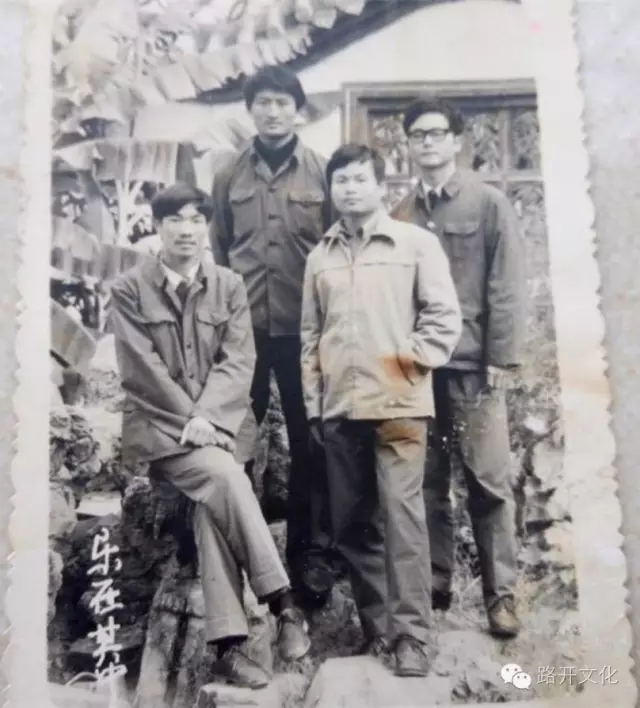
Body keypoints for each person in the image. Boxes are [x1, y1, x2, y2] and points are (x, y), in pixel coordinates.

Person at [110, 183, 310, 689]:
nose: (187, 229)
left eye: (197, 219)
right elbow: (142, 371)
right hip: (164, 430)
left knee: (212, 502)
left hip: (222, 429)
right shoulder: (129, 288)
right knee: (223, 477)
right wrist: (192, 420)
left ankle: (227, 647)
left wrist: (211, 419)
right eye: (175, 219)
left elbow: (239, 360)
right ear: (157, 227)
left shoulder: (230, 285)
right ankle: (283, 602)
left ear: (207, 227)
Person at [300, 144, 461, 676]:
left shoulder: (414, 244)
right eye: (341, 180)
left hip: (399, 406)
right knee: (353, 524)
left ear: (380, 186)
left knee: (402, 517)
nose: (350, 189)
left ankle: (412, 636)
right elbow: (310, 337)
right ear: (331, 190)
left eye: (360, 179)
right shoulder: (320, 257)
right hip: (340, 408)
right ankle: (378, 631)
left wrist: (407, 365)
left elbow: (443, 317)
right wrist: (314, 404)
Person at [394, 97, 526, 638]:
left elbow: (507, 283)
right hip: (419, 369)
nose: (427, 143)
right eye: (417, 135)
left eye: (436, 133)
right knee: (427, 484)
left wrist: (502, 356)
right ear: (408, 145)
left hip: (473, 364)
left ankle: (502, 597)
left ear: (455, 141)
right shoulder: (400, 213)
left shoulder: (488, 203)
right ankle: (436, 586)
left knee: (487, 482)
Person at [209, 66, 335, 604]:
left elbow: (337, 247)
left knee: (311, 441)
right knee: (236, 438)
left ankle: (309, 554)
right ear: (251, 110)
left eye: (283, 102)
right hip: (244, 332)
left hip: (306, 331)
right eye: (263, 101)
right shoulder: (228, 175)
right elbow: (219, 249)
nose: (273, 111)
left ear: (298, 110)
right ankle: (236, 551)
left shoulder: (323, 172)